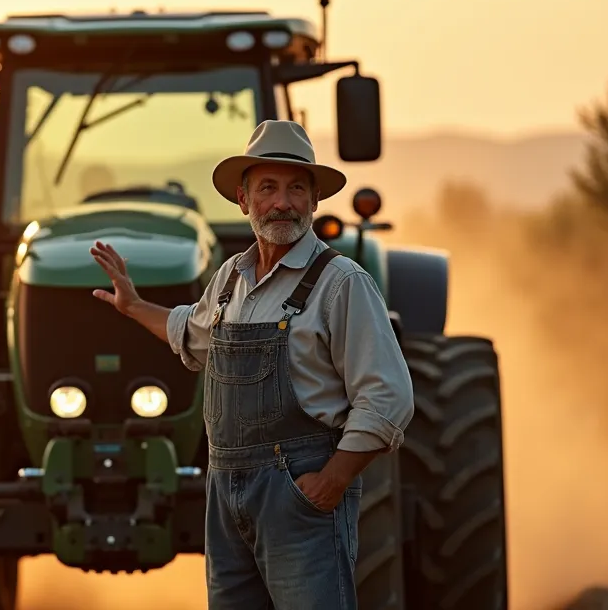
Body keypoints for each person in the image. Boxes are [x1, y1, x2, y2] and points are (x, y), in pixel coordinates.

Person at [89, 119, 415, 609]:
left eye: (296, 188)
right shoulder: (230, 280)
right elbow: (191, 332)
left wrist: (332, 481)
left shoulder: (341, 282)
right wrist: (133, 306)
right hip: (225, 497)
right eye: (268, 188)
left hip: (299, 495)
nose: (282, 202)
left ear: (314, 200)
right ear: (243, 199)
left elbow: (389, 397)